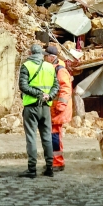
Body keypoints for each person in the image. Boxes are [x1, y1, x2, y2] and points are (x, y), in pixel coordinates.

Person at [18, 43, 59, 178]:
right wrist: (49, 96)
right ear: (42, 54)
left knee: (31, 137)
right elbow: (56, 86)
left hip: (31, 107)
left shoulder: (26, 66)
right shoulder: (50, 67)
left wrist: (38, 94)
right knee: (47, 137)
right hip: (46, 107)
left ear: (30, 53)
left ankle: (32, 169)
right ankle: (50, 167)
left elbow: (23, 86)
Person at [45, 45, 72, 172]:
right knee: (53, 135)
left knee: (54, 135)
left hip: (57, 109)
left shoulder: (60, 70)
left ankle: (58, 162)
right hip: (55, 108)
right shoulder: (55, 68)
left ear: (51, 57)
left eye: (46, 56)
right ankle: (55, 161)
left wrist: (60, 106)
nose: (45, 58)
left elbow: (65, 89)